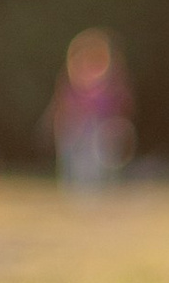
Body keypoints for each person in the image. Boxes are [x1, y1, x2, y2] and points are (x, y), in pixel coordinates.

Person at [48, 32, 133, 190]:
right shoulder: (72, 86)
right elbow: (62, 110)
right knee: (79, 164)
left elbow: (122, 108)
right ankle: (78, 190)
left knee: (102, 162)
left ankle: (103, 190)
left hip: (101, 133)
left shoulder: (113, 86)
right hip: (77, 132)